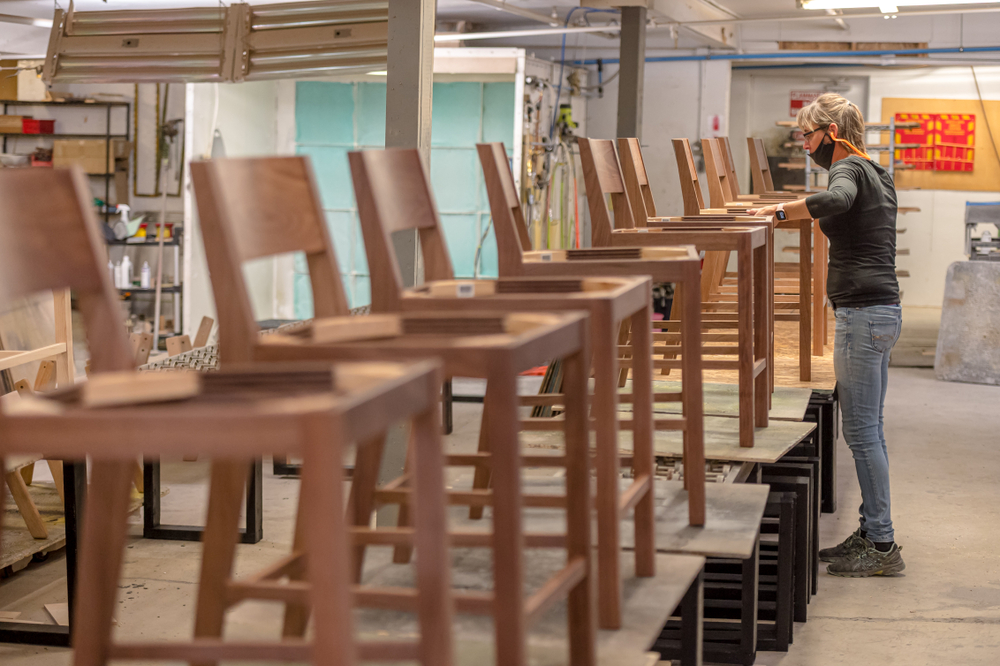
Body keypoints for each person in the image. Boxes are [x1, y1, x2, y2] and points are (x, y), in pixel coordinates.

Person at [749, 93, 905, 577]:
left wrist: (777, 213)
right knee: (870, 429)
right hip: (880, 312)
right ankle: (874, 531)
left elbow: (836, 200)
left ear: (831, 133)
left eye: (808, 135)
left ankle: (882, 546)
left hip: (863, 316)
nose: (805, 144)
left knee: (861, 433)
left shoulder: (849, 169)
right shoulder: (876, 171)